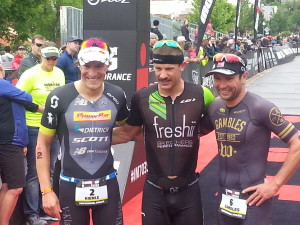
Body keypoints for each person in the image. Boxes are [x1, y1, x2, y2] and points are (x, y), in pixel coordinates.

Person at [112, 40, 215, 225]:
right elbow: (127, 133)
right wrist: (83, 136)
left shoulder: (201, 94)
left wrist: (188, 133)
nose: (162, 75)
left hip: (189, 190)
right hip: (154, 191)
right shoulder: (142, 97)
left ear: (182, 66)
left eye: (169, 69)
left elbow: (213, 122)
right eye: (158, 68)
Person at [35, 38, 128, 225]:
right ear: (78, 64)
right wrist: (46, 191)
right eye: (87, 66)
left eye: (99, 66)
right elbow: (42, 145)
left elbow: (130, 131)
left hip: (107, 183)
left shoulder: (117, 94)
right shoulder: (59, 97)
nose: (93, 73)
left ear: (108, 65)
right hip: (70, 185)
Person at [204, 50, 300, 225]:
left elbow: (297, 145)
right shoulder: (214, 108)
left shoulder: (261, 108)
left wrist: (275, 185)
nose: (222, 85)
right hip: (224, 198)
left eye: (229, 79)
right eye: (217, 79)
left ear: (244, 77)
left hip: (254, 200)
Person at [17, 41, 65, 225]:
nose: (52, 62)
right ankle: (31, 214)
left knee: (51, 169)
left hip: (53, 127)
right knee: (34, 173)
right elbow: (17, 97)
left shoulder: (59, 73)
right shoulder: (30, 75)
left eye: (55, 58)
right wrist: (38, 108)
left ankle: (45, 209)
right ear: (41, 57)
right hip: (33, 127)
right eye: (49, 58)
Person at [0, 63, 42, 225]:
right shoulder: (3, 84)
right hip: (9, 141)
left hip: (10, 140)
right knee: (15, 187)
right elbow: (27, 97)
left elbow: (28, 106)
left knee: (7, 185)